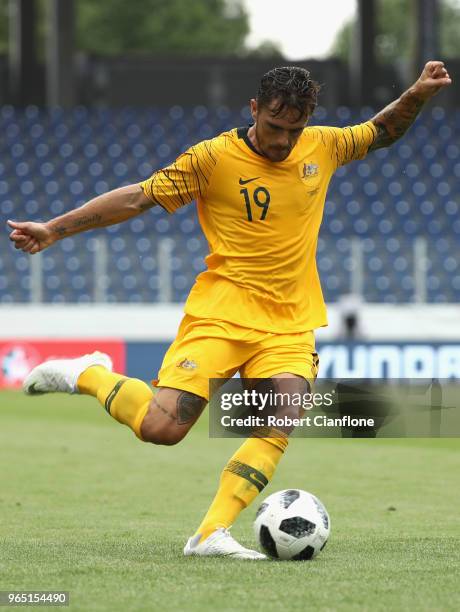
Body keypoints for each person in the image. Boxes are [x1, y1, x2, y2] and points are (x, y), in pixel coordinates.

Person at [7, 62, 451, 559]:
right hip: (221, 313)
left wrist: (417, 93)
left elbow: (382, 132)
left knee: (281, 413)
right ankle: (86, 373)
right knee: (162, 429)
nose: (283, 141)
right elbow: (137, 199)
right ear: (254, 110)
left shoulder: (322, 146)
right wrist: (54, 229)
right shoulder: (213, 158)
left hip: (289, 322)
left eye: (294, 130)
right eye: (274, 127)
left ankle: (209, 534)